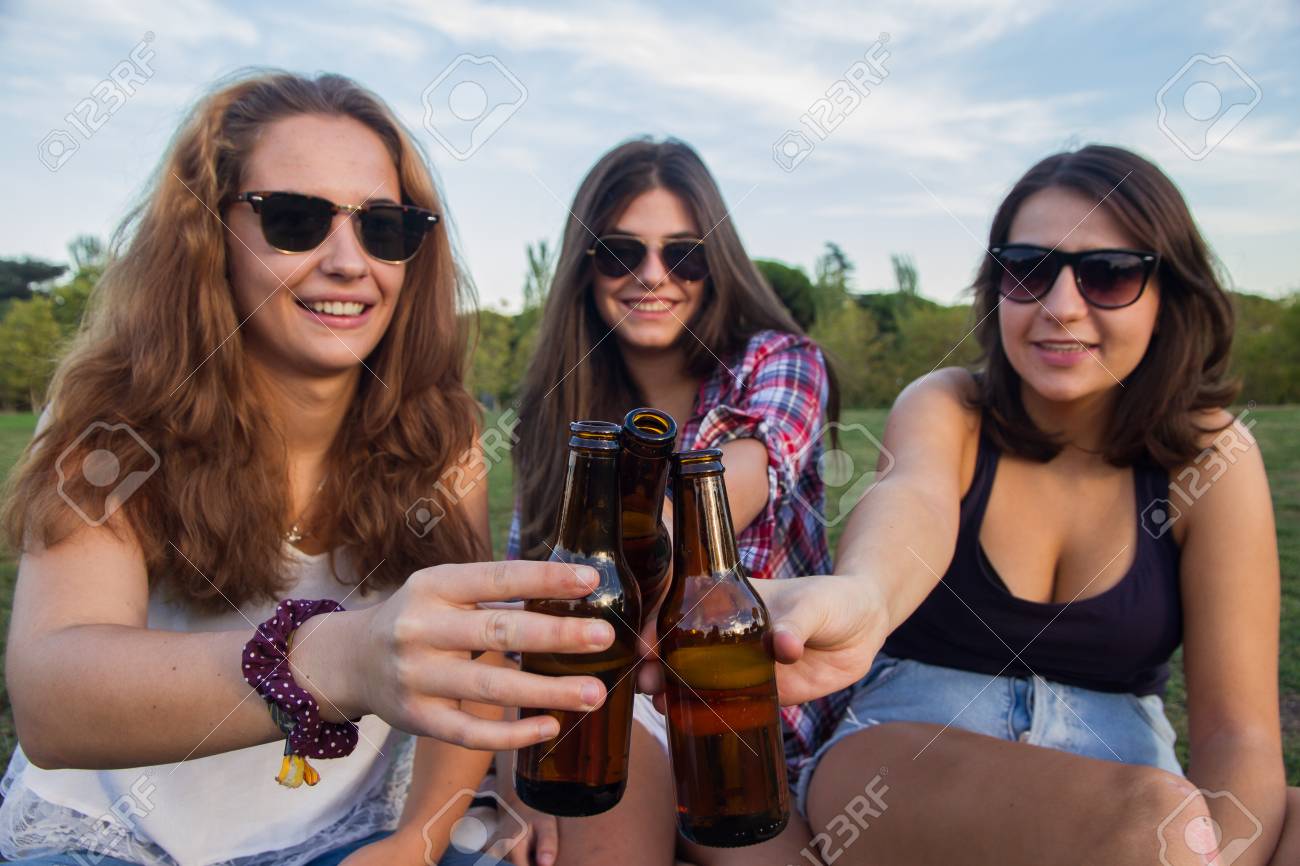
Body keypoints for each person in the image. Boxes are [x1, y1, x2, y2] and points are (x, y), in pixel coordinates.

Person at [0, 70, 621, 866]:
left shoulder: (444, 431)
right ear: (207, 233)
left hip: (343, 836)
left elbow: (477, 657)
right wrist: (336, 659)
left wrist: (419, 839)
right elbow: (54, 703)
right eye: (296, 219)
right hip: (117, 836)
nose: (348, 261)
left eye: (385, 227)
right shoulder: (116, 417)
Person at [790, 144, 1299, 865]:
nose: (1061, 307)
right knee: (1156, 824)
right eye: (1028, 270)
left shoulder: (1211, 454)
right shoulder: (949, 407)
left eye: (1109, 275)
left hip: (1124, 765)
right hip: (908, 753)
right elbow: (913, 505)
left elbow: (1237, 734)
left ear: (1167, 294)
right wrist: (865, 597)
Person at [499, 137, 844, 865]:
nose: (652, 277)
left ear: (715, 266)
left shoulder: (778, 361)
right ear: (585, 266)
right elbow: (523, 614)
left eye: (683, 255)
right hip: (607, 708)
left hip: (753, 718)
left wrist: (636, 537)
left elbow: (749, 471)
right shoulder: (556, 414)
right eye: (621, 252)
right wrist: (514, 773)